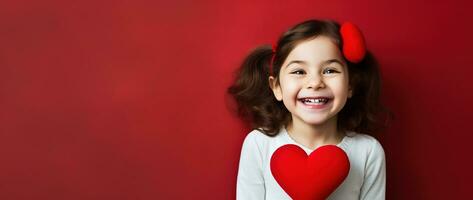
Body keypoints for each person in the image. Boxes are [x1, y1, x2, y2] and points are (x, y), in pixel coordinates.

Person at [227, 19, 390, 200]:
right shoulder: (258, 144)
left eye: (330, 70)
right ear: (277, 87)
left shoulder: (368, 152)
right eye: (299, 72)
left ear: (350, 84)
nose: (315, 83)